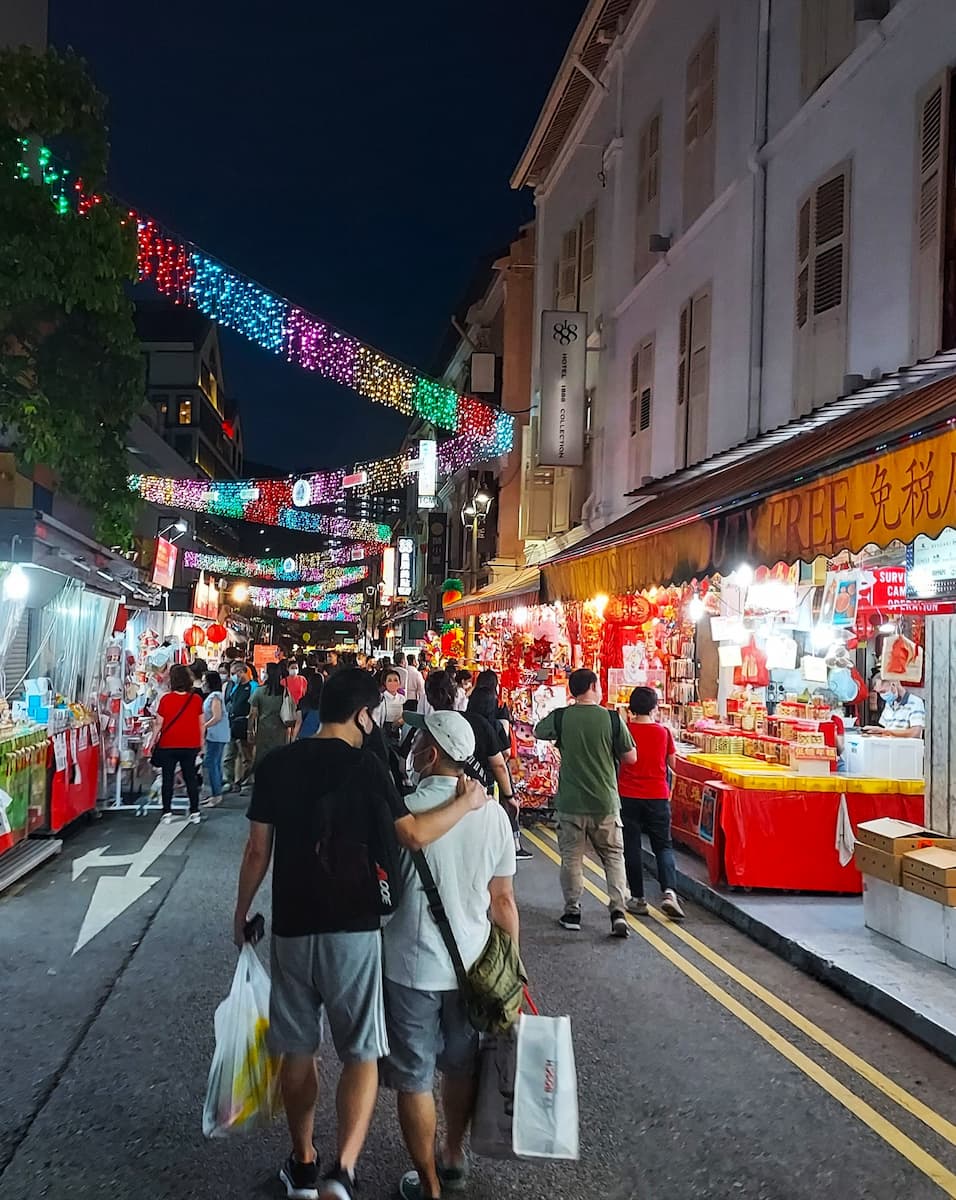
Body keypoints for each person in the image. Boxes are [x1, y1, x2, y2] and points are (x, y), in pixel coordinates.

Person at [234, 669, 489, 1200]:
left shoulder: (277, 764)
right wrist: (466, 803)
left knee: (298, 1047)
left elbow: (258, 850)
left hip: (292, 926)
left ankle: (304, 1162)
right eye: (374, 713)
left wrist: (241, 915)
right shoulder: (369, 766)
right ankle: (343, 1170)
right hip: (353, 929)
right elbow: (413, 834)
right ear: (361, 714)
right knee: (361, 1052)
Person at [381, 711, 518, 1200]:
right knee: (460, 1066)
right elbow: (502, 900)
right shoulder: (493, 814)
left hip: (409, 966)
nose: (411, 744)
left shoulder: (402, 812)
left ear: (430, 753)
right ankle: (453, 1156)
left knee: (414, 1079)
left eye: (417, 738)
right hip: (472, 965)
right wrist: (511, 969)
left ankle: (430, 1183)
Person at [534, 668, 636, 937]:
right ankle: (618, 911)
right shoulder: (612, 719)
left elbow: (538, 731)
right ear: (593, 686)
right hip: (605, 802)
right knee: (613, 857)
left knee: (571, 858)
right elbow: (630, 757)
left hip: (570, 802)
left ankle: (572, 911)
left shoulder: (562, 716)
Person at [618, 687, 685, 921]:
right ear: (655, 707)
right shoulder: (663, 732)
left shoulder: (624, 731)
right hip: (657, 796)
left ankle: (638, 898)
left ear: (631, 708)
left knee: (632, 847)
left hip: (628, 796)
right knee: (663, 846)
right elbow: (673, 763)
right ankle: (669, 892)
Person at [467, 684, 532, 861]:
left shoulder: (463, 720)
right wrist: (509, 795)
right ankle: (511, 846)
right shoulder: (492, 726)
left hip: (465, 779)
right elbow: (502, 761)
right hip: (487, 780)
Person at [152, 663, 204, 825]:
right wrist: (201, 744)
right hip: (190, 744)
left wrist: (153, 740)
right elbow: (201, 723)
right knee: (191, 778)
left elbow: (158, 724)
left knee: (168, 778)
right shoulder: (195, 699)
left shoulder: (166, 699)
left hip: (169, 744)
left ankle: (167, 812)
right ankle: (195, 812)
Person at [200, 670, 231, 808]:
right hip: (216, 734)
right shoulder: (214, 695)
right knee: (215, 763)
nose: (202, 683)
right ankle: (215, 793)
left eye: (204, 681)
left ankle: (216, 794)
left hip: (216, 735)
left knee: (211, 763)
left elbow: (217, 716)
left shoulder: (215, 696)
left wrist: (203, 726)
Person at [250, 661, 290, 769]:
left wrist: (250, 730)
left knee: (262, 757)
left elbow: (253, 714)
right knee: (278, 757)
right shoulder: (284, 691)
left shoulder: (259, 691)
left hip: (263, 729)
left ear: (268, 674)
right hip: (281, 730)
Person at [224, 662, 255, 791]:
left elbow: (254, 707)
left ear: (241, 672)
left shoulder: (253, 686)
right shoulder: (235, 687)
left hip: (244, 724)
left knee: (246, 756)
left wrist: (251, 727)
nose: (232, 676)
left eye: (234, 673)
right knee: (229, 755)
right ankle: (228, 780)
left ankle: (244, 780)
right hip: (232, 724)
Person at [374, 667, 406, 735]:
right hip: (385, 733)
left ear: (399, 683)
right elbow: (377, 720)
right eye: (389, 680)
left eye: (395, 680)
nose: (393, 683)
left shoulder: (403, 699)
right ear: (384, 683)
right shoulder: (381, 699)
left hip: (401, 732)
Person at [294, 670, 324, 740]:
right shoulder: (326, 701)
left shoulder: (303, 701)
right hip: (320, 737)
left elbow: (298, 722)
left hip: (304, 737)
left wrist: (293, 739)